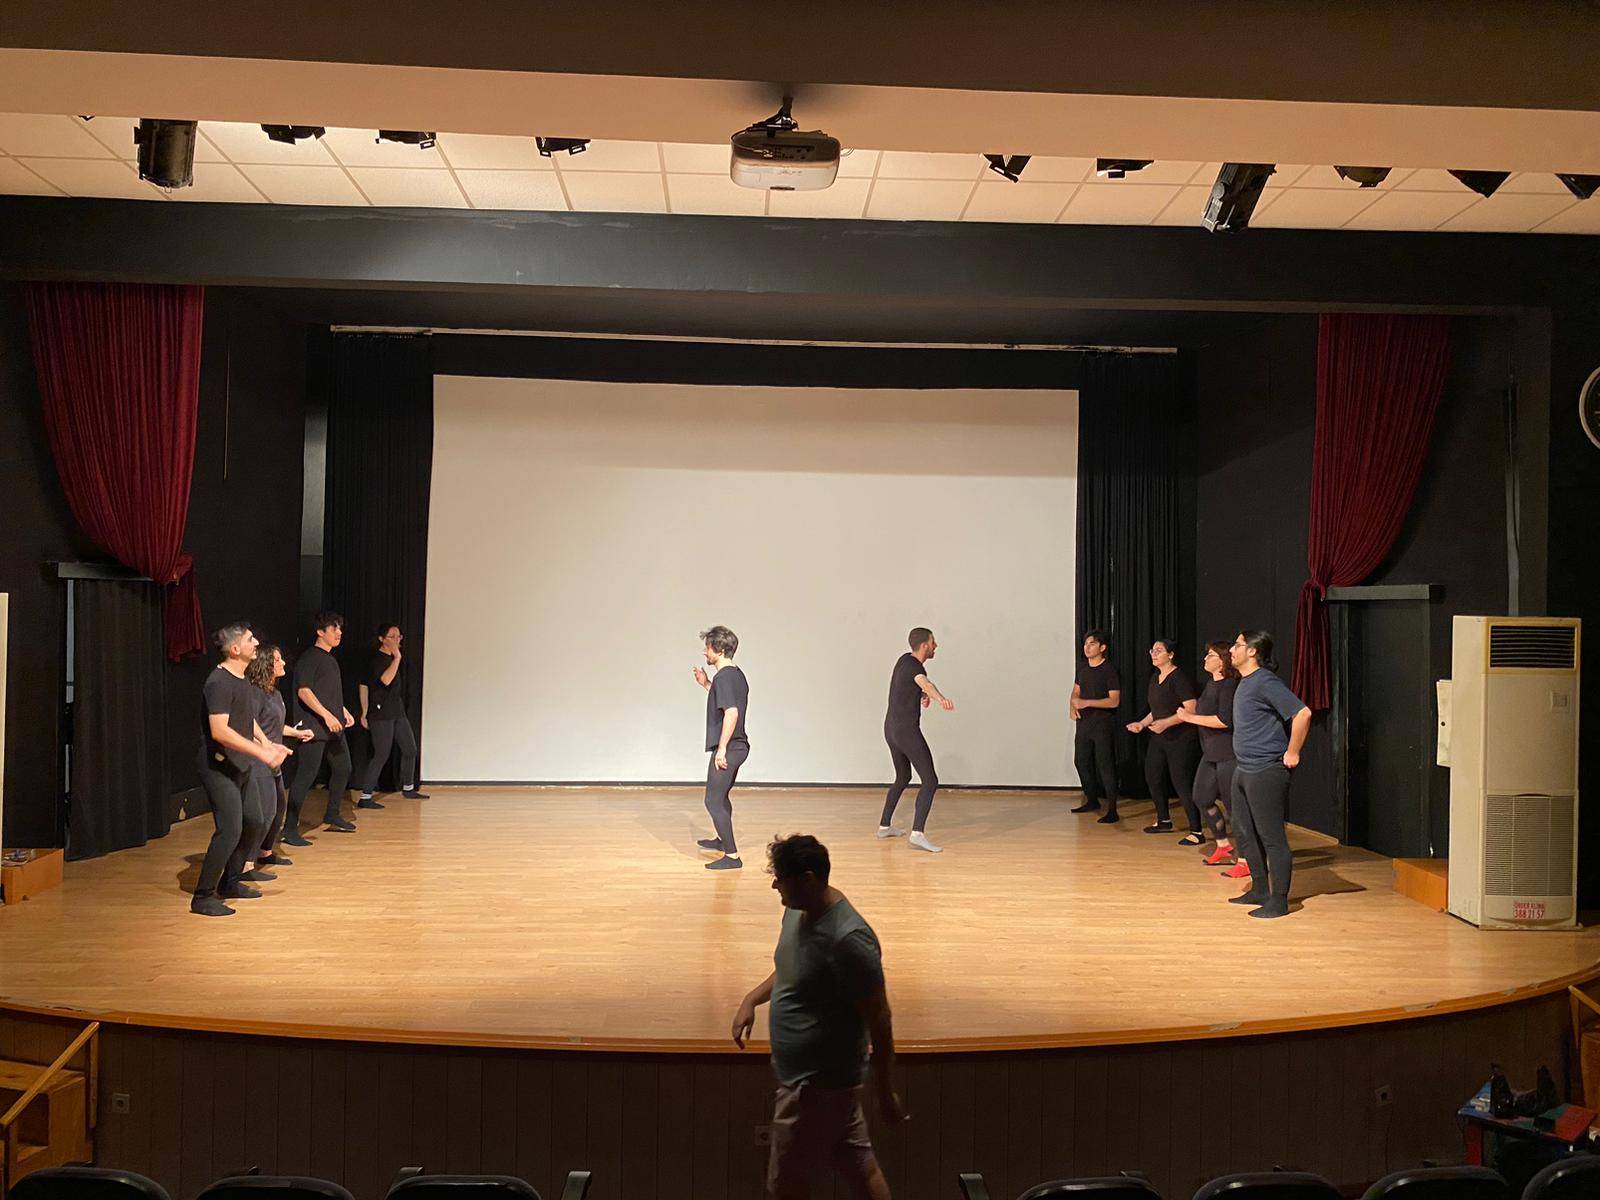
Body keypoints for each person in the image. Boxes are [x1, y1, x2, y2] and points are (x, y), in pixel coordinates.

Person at [732, 834, 904, 1200]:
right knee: (861, 1166)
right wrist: (752, 999)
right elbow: (794, 967)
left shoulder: (849, 940)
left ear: (808, 879)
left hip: (815, 1088)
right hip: (819, 1085)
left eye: (781, 878)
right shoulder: (798, 909)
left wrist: (885, 1091)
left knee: (786, 1188)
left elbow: (880, 1019)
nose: (774, 885)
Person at [193, 623, 289, 917]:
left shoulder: (242, 679)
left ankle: (231, 881)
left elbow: (248, 720)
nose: (256, 642)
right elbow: (220, 731)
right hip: (218, 767)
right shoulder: (218, 682)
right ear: (235, 649)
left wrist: (267, 743)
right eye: (250, 639)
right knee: (230, 829)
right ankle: (202, 896)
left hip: (240, 764)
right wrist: (261, 752)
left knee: (256, 820)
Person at [1226, 630, 1313, 919]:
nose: (1232, 650)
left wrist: (1293, 751)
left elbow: (1302, 713)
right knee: (1244, 831)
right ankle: (1260, 889)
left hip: (1265, 769)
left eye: (1237, 645)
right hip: (1244, 768)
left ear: (1252, 651)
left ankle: (1279, 900)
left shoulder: (1265, 681)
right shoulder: (1246, 681)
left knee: (1271, 836)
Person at [878, 627, 954, 853]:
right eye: (933, 642)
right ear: (924, 646)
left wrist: (920, 694)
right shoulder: (916, 668)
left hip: (891, 729)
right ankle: (917, 834)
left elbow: (908, 684)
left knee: (903, 777)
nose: (935, 646)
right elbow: (925, 682)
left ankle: (884, 826)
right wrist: (939, 698)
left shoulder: (904, 660)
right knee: (930, 780)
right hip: (906, 732)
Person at [284, 610, 357, 843]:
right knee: (306, 776)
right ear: (320, 632)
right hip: (314, 727)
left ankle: (332, 814)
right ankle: (289, 828)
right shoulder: (310, 658)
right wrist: (326, 716)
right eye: (334, 628)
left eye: (340, 628)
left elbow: (326, 692)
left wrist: (342, 711)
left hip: (333, 727)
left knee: (343, 768)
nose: (339, 632)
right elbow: (304, 691)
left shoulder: (329, 659)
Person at [244, 644, 315, 870]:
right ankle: (245, 864)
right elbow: (249, 726)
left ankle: (264, 853)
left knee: (277, 811)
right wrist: (265, 748)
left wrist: (296, 732)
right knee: (265, 814)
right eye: (277, 660)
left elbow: (274, 725)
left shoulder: (275, 693)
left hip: (274, 759)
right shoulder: (255, 693)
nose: (283, 663)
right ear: (265, 664)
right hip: (258, 760)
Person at [1175, 641, 1242, 862]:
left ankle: (1246, 859)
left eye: (1211, 655)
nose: (1205, 658)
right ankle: (1223, 845)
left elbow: (1224, 720)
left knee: (1234, 809)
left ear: (1223, 661)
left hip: (1227, 754)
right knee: (1201, 797)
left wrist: (1190, 718)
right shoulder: (1211, 684)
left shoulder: (1229, 686)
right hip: (1211, 753)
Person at [1125, 638, 1200, 835]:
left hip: (1181, 737)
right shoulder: (1154, 678)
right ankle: (1164, 820)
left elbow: (1191, 708)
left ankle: (1196, 830)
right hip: (1159, 737)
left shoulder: (1179, 678)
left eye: (1159, 650)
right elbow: (1155, 710)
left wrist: (1167, 722)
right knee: (1153, 776)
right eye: (1152, 650)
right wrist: (1142, 724)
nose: (1154, 654)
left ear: (1171, 654)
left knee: (1181, 782)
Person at [693, 624, 749, 870]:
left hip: (731, 747)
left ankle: (733, 856)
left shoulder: (724, 677)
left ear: (718, 649)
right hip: (738, 745)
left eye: (707, 648)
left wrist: (722, 749)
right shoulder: (735, 674)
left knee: (713, 801)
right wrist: (707, 684)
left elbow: (732, 712)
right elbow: (725, 701)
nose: (704, 652)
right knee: (721, 796)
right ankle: (722, 840)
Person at [357, 622, 428, 807]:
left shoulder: (391, 659)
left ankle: (408, 788)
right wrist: (364, 712)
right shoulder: (377, 660)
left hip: (397, 712)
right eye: (392, 637)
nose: (397, 640)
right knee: (381, 754)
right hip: (381, 714)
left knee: (410, 749)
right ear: (382, 639)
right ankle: (365, 797)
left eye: (399, 636)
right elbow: (381, 681)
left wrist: (395, 657)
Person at [1069, 629, 1122, 823]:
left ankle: (1113, 810)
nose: (1087, 647)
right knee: (1081, 761)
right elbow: (1076, 691)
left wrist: (1087, 703)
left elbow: (1114, 701)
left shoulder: (1109, 670)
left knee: (1105, 765)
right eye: (1085, 644)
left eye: (1092, 644)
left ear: (1102, 647)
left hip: (1102, 724)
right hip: (1084, 724)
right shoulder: (1082, 669)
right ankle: (1092, 800)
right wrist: (1072, 706)